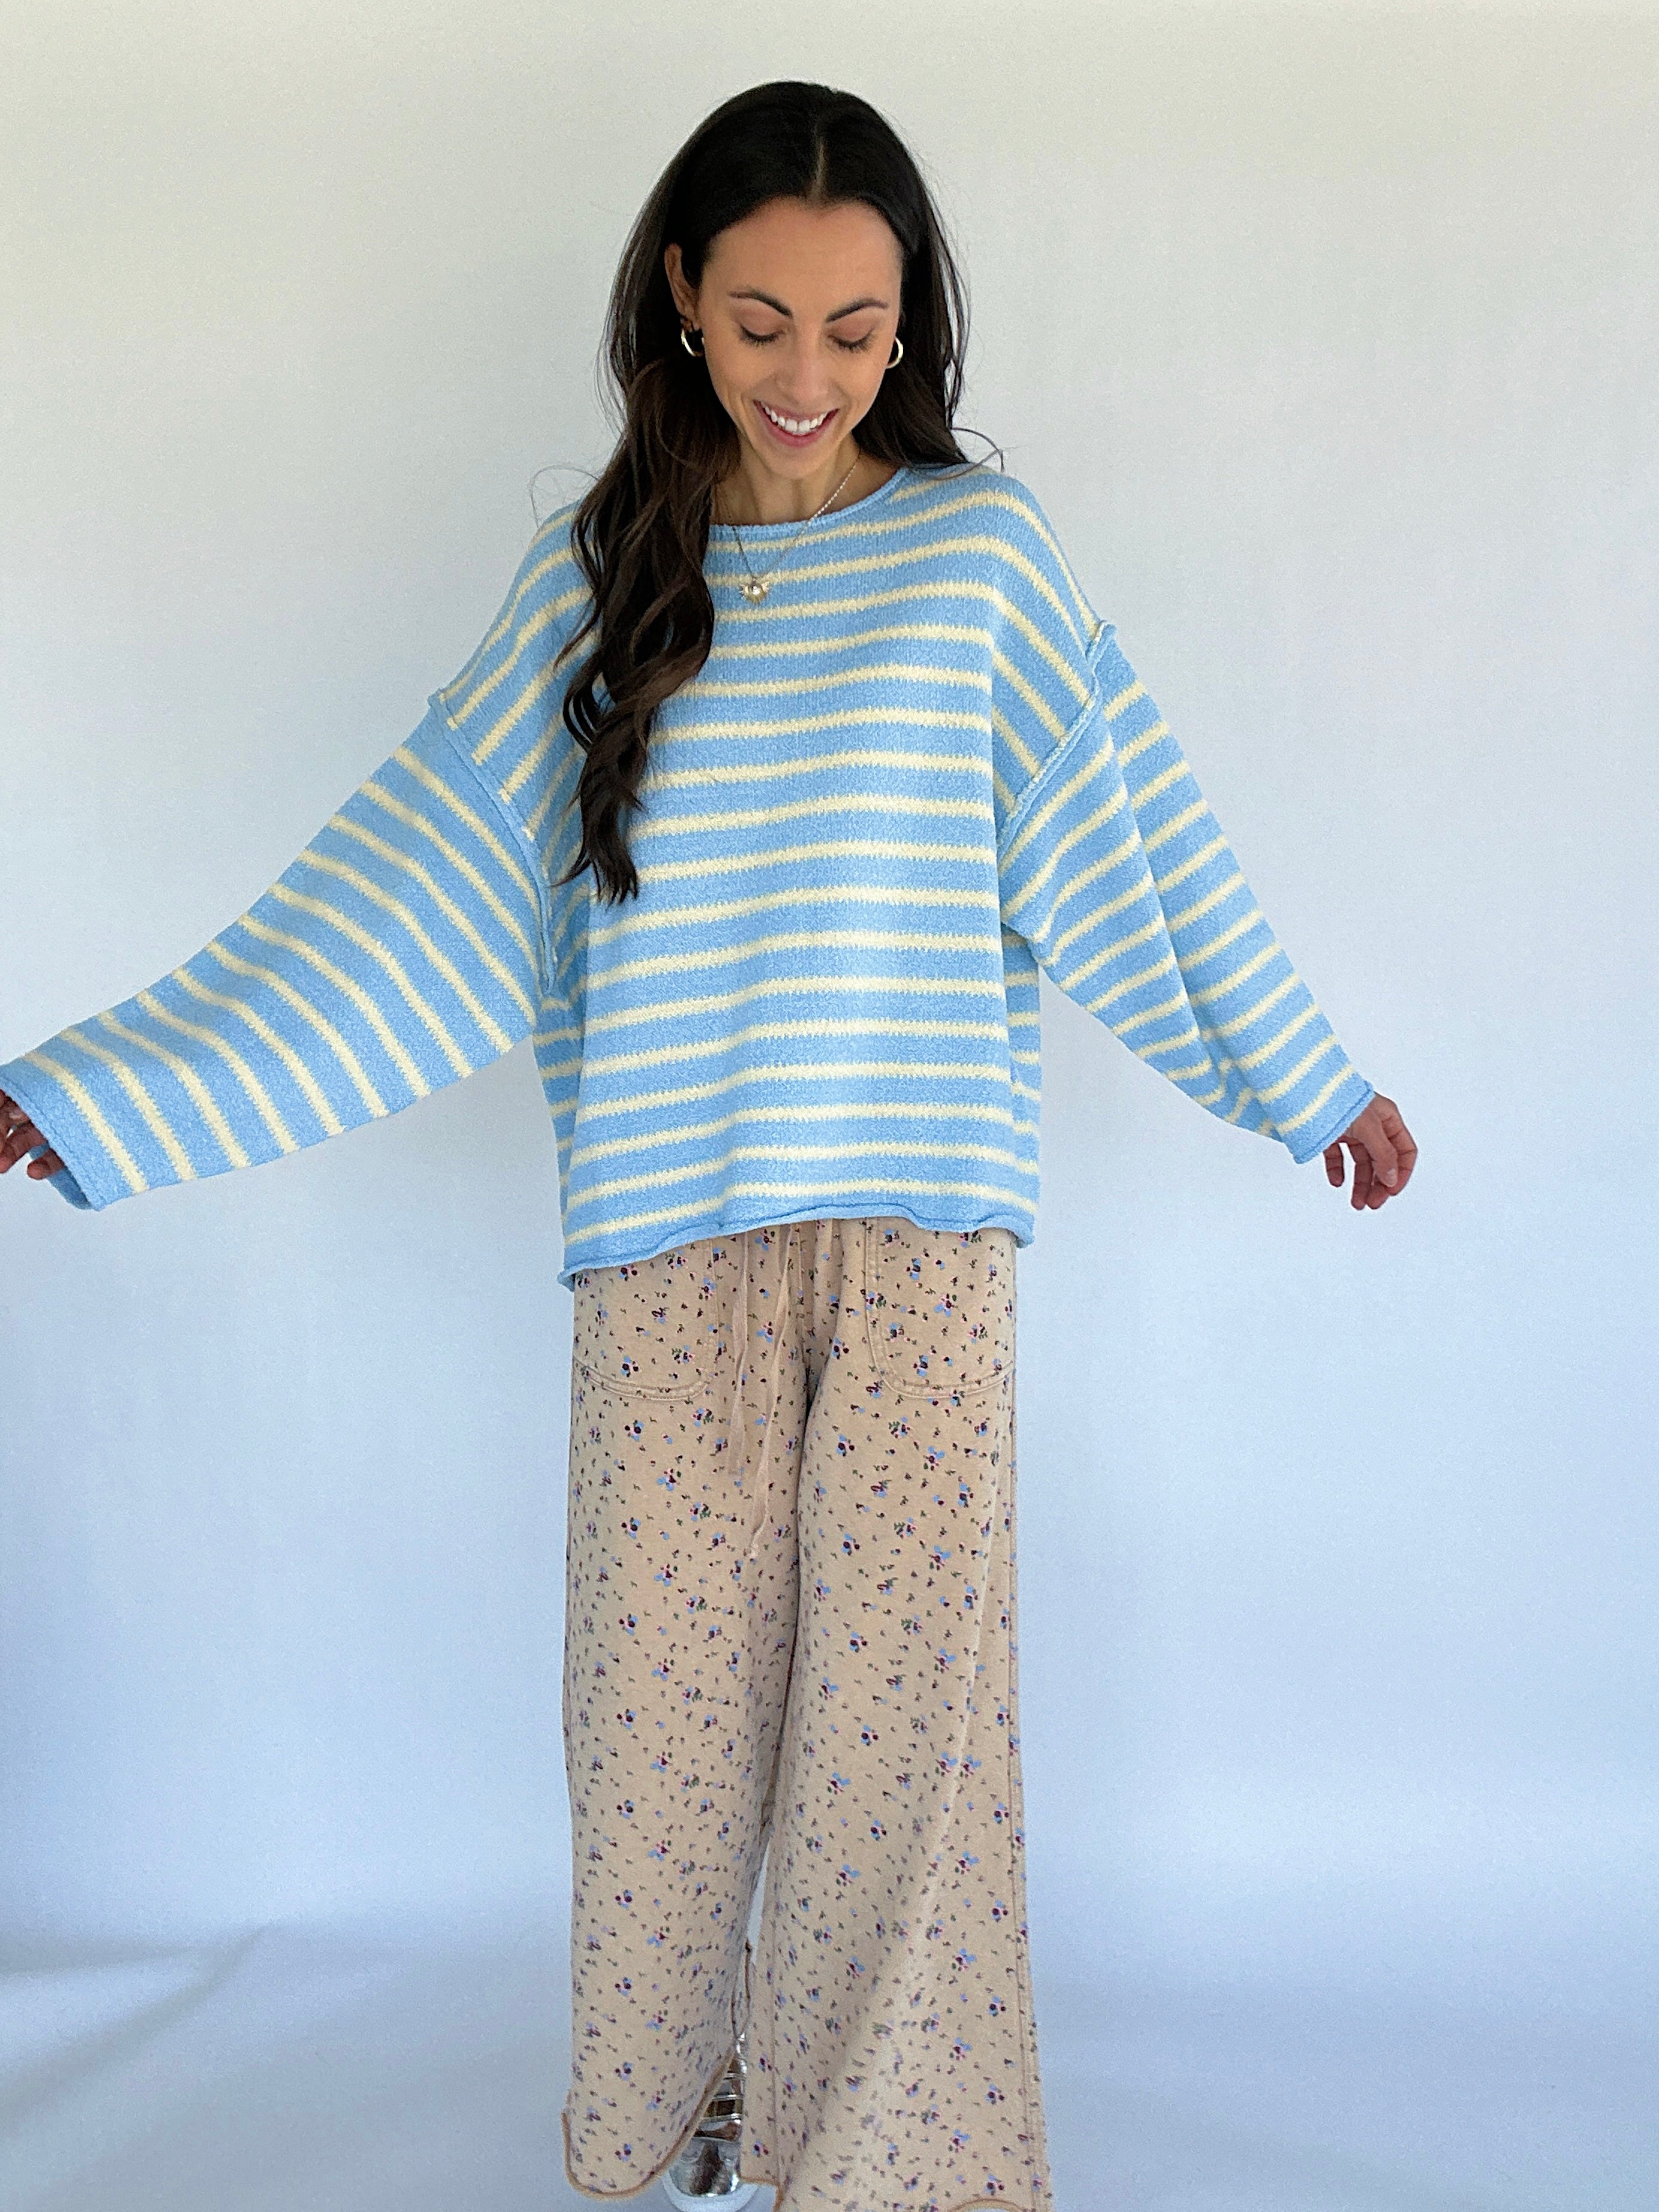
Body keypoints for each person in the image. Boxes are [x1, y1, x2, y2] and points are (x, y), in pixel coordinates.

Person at [0, 77, 1415, 2212]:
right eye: (761, 318)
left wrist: (1305, 1077)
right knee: (659, 1763)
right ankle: (666, 2136)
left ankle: (885, 2169)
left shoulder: (979, 561)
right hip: (666, 1256)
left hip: (923, 1242)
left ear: (909, 328)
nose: (806, 372)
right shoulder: (595, 590)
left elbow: (1135, 838)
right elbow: (388, 896)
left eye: (856, 329)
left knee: (895, 1763)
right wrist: (97, 1087)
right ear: (676, 297)